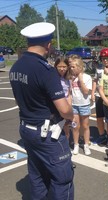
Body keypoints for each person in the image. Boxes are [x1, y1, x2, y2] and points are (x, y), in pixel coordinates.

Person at [9, 22, 74, 199]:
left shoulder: (16, 67)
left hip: (26, 128)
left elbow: (18, 100)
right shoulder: (45, 70)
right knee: (62, 180)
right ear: (48, 44)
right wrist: (71, 114)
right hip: (47, 134)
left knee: (37, 176)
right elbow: (63, 109)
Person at [70, 56, 93, 155]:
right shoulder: (71, 78)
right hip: (74, 105)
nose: (71, 69)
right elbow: (69, 92)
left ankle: (86, 145)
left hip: (84, 105)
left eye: (73, 67)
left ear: (80, 67)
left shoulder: (87, 77)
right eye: (71, 67)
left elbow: (86, 91)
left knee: (85, 126)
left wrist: (80, 79)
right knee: (75, 126)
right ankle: (76, 145)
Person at [91, 48, 108, 145]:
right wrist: (92, 93)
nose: (105, 60)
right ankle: (102, 135)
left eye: (107, 58)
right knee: (99, 117)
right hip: (99, 96)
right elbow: (95, 81)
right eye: (103, 58)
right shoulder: (99, 68)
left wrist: (107, 71)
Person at [54, 57, 72, 139]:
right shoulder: (53, 77)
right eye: (59, 66)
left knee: (66, 125)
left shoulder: (68, 78)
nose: (62, 69)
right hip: (55, 105)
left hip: (65, 104)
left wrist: (69, 106)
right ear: (56, 66)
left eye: (64, 67)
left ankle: (66, 142)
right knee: (55, 126)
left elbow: (69, 93)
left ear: (68, 67)